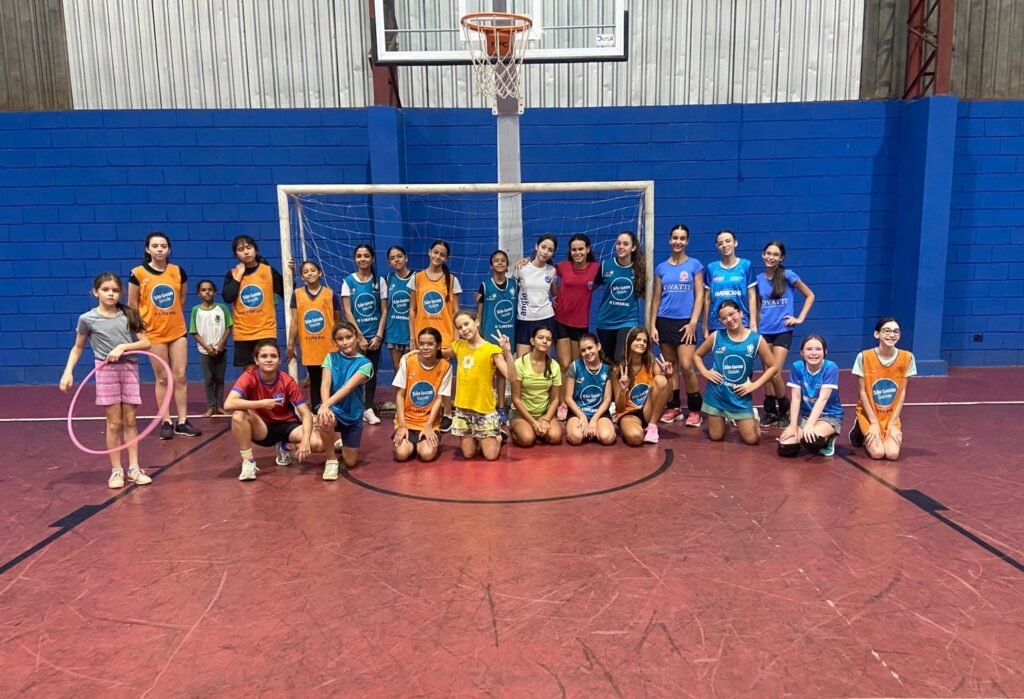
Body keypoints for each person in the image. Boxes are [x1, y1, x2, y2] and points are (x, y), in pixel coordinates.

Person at [60, 273, 153, 489]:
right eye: (105, 289)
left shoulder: (129, 314)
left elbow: (146, 343)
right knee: (114, 423)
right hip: (105, 371)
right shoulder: (87, 319)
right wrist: (68, 372)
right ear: (96, 292)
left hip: (129, 369)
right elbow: (78, 347)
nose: (111, 294)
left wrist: (123, 347)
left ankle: (134, 468)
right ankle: (116, 470)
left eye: (115, 290)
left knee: (130, 420)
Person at [128, 231, 201, 439]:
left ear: (169, 249)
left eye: (163, 246)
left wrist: (171, 317)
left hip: (177, 332)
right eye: (155, 246)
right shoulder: (138, 274)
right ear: (147, 249)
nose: (159, 249)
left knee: (180, 376)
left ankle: (182, 421)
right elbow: (132, 305)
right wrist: (141, 333)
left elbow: (182, 299)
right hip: (154, 334)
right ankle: (166, 421)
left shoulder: (178, 271)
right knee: (162, 378)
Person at [225, 340, 324, 482]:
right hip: (262, 428)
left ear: (279, 360)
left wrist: (305, 440)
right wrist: (262, 403)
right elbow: (229, 404)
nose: (269, 360)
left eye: (273, 356)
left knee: (317, 444)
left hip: (287, 426)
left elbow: (306, 414)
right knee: (238, 415)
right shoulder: (249, 377)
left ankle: (285, 445)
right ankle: (248, 462)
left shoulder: (287, 381)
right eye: (264, 356)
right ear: (256, 360)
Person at [694, 300, 778, 445]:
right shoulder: (716, 336)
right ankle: (722, 420)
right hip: (717, 394)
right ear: (720, 321)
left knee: (752, 440)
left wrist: (754, 385)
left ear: (740, 313)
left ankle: (753, 418)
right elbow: (696, 355)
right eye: (724, 318)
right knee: (716, 437)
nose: (729, 319)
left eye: (732, 314)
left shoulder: (756, 339)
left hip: (739, 395)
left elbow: (773, 366)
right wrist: (705, 372)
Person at [649, 224, 705, 428]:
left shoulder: (695, 265)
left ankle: (695, 410)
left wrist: (693, 322)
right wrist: (653, 325)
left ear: (687, 241)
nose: (678, 241)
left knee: (687, 366)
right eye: (675, 238)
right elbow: (656, 299)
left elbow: (700, 296)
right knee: (670, 367)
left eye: (682, 238)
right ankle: (674, 407)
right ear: (669, 239)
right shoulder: (661, 268)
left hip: (685, 322)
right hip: (664, 320)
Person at [756, 241, 816, 429]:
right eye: (768, 253)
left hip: (782, 331)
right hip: (763, 331)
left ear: (781, 258)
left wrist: (800, 318)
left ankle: (784, 408)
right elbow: (755, 306)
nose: (771, 257)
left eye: (775, 254)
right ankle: (770, 411)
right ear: (763, 254)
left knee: (774, 372)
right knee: (767, 372)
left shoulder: (788, 275)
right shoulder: (758, 280)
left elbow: (810, 295)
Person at [446, 310, 515, 461]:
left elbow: (511, 376)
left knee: (490, 456)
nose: (464, 329)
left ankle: (498, 436)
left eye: (466, 324)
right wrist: (416, 352)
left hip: (484, 411)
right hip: (464, 411)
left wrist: (507, 352)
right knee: (469, 454)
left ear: (476, 322)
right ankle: (478, 437)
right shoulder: (458, 346)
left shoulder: (492, 350)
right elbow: (438, 353)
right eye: (459, 327)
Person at [409, 240, 462, 431]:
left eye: (442, 254)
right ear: (429, 252)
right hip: (422, 336)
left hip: (444, 336)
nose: (438, 256)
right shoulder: (417, 278)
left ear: (446, 258)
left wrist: (456, 338)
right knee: (424, 374)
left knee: (444, 376)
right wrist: (412, 338)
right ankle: (427, 412)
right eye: (435, 252)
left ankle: (447, 413)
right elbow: (412, 310)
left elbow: (456, 311)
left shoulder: (452, 280)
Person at [850, 317, 917, 461]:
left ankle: (882, 429)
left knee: (892, 454)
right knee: (878, 453)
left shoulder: (907, 357)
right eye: (887, 331)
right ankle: (860, 427)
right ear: (877, 334)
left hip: (890, 415)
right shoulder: (864, 357)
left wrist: (893, 422)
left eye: (896, 332)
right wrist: (873, 423)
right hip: (869, 413)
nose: (892, 335)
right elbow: (862, 392)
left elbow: (902, 392)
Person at [316, 321, 374, 479]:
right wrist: (325, 407)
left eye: (348, 337)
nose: (345, 342)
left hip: (353, 414)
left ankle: (338, 441)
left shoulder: (365, 363)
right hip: (334, 409)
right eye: (340, 339)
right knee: (324, 420)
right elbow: (325, 384)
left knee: (350, 461)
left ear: (356, 338)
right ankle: (331, 460)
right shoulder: (330, 358)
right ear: (335, 341)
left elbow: (348, 388)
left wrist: (326, 404)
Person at [553, 234, 601, 413]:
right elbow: (543, 270)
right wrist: (555, 295)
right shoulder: (563, 267)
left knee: (575, 365)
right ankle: (562, 404)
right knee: (564, 364)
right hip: (561, 320)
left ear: (587, 249)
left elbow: (605, 280)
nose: (577, 252)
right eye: (574, 250)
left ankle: (575, 400)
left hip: (580, 323)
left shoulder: (596, 269)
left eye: (581, 249)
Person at [340, 244, 387, 425]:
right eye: (359, 256)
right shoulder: (348, 282)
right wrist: (359, 337)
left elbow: (384, 310)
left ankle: (368, 408)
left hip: (375, 337)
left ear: (372, 259)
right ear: (355, 259)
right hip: (355, 338)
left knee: (370, 373)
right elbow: (347, 311)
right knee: (354, 373)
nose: (363, 259)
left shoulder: (379, 282)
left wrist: (378, 336)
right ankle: (354, 409)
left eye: (366, 255)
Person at [222, 235, 284, 370]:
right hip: (243, 332)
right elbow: (227, 297)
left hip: (266, 330)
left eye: (249, 248)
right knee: (249, 373)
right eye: (241, 249)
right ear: (236, 255)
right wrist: (238, 276)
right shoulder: (232, 274)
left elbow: (286, 291)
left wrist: (290, 273)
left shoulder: (268, 271)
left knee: (267, 369)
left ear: (255, 249)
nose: (246, 252)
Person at [286, 260, 339, 412]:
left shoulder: (330, 294)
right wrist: (290, 345)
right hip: (310, 347)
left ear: (320, 273)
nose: (310, 273)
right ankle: (317, 412)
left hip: (329, 347)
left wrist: (339, 343)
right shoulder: (297, 294)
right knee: (315, 381)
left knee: (330, 381)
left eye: (313, 270)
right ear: (302, 277)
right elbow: (295, 322)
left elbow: (337, 322)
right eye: (305, 272)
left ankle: (332, 411)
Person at [392, 327, 452, 462]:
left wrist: (429, 426)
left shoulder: (445, 366)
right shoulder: (408, 361)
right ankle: (410, 443)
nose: (425, 347)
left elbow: (439, 399)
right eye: (422, 344)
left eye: (430, 344)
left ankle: (422, 443)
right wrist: (402, 425)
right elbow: (400, 395)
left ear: (438, 345)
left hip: (428, 421)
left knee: (427, 454)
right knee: (401, 454)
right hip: (407, 420)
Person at [778, 335, 843, 457]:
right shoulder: (797, 367)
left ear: (825, 352)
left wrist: (809, 425)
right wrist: (793, 426)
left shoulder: (830, 367)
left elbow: (823, 399)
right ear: (802, 352)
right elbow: (796, 398)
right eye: (809, 349)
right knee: (786, 446)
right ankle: (803, 433)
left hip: (829, 415)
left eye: (818, 349)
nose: (813, 353)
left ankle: (829, 437)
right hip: (805, 416)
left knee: (811, 440)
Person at [612, 327, 673, 446]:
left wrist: (669, 377)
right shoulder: (618, 369)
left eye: (645, 341)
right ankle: (627, 427)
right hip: (628, 413)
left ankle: (652, 426)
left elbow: (669, 398)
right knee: (635, 438)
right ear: (629, 342)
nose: (642, 343)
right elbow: (619, 407)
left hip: (648, 410)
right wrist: (623, 390)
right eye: (638, 339)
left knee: (661, 379)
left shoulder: (651, 363)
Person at [476, 249, 517, 422]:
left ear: (507, 265)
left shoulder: (515, 284)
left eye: (503, 260)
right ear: (491, 265)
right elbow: (479, 314)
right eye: (496, 260)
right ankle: (487, 405)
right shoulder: (485, 286)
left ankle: (501, 406)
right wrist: (478, 333)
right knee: (487, 373)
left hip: (508, 336)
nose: (500, 263)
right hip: (489, 336)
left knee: (502, 373)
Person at [595, 231, 646, 363]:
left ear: (633, 247)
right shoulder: (606, 266)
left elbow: (648, 295)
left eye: (625, 244)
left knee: (621, 358)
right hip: (605, 321)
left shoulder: (639, 268)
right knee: (607, 362)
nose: (621, 246)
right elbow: (590, 287)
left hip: (628, 321)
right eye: (618, 243)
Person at [509, 326, 564, 447]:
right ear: (532, 341)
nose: (544, 341)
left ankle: (541, 429)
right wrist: (533, 422)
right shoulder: (519, 363)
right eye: (540, 338)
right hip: (521, 415)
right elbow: (516, 399)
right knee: (527, 439)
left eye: (548, 339)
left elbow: (555, 399)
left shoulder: (554, 366)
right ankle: (517, 429)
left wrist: (546, 420)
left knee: (555, 437)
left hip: (543, 414)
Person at [189, 279, 232, 417]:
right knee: (209, 378)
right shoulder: (196, 310)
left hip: (221, 349)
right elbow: (194, 332)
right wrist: (207, 347)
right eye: (203, 290)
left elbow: (229, 327)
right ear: (198, 293)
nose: (207, 292)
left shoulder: (222, 308)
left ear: (214, 292)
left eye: (210, 290)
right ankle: (211, 407)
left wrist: (221, 343)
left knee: (219, 378)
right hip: (205, 351)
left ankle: (219, 406)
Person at [564, 333, 616, 446]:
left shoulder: (607, 368)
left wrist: (594, 420)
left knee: (607, 438)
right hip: (578, 411)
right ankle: (573, 428)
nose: (587, 352)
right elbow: (568, 398)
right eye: (583, 350)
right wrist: (582, 416)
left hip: (599, 412)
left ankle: (597, 428)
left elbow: (607, 400)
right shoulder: (575, 366)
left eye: (590, 348)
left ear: (598, 346)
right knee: (576, 438)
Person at [703, 229, 757, 337]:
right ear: (717, 247)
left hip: (742, 322)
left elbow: (752, 296)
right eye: (720, 243)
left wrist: (753, 323)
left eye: (728, 241)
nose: (724, 245)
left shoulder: (746, 265)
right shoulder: (711, 268)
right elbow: (707, 299)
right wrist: (704, 326)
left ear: (735, 243)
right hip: (717, 324)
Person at [513, 234, 558, 357]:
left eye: (550, 250)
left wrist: (556, 298)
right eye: (543, 247)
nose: (546, 252)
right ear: (536, 246)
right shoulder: (521, 267)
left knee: (543, 361)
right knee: (522, 361)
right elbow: (511, 289)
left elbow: (555, 293)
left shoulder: (552, 270)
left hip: (546, 318)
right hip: (525, 319)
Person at [384, 245, 415, 388]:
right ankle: (400, 399)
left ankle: (412, 399)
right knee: (398, 373)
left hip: (410, 332)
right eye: (392, 258)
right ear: (389, 263)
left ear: (406, 258)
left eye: (399, 256)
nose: (396, 260)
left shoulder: (416, 278)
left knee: (411, 372)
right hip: (393, 332)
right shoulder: (387, 279)